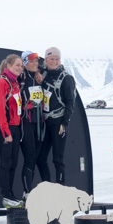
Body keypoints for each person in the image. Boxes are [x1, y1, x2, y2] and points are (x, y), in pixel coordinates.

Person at [36, 47, 76, 185]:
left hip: (58, 121)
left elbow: (70, 102)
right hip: (45, 121)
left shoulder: (66, 78)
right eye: (51, 59)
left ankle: (60, 189)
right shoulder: (42, 74)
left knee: (57, 159)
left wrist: (64, 123)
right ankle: (47, 187)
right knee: (40, 158)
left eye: (57, 59)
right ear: (45, 60)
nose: (54, 61)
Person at [0, 54, 24, 209]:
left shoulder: (15, 82)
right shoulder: (2, 83)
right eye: (17, 65)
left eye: (21, 65)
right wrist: (6, 132)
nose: (19, 68)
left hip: (14, 127)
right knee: (6, 163)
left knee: (13, 163)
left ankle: (10, 195)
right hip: (5, 127)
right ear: (9, 66)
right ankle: (6, 195)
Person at [19, 50, 45, 200]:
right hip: (26, 123)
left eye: (36, 62)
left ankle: (31, 191)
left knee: (35, 158)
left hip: (39, 123)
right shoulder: (21, 79)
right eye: (31, 61)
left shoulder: (38, 78)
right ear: (24, 63)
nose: (35, 64)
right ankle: (27, 191)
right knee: (29, 158)